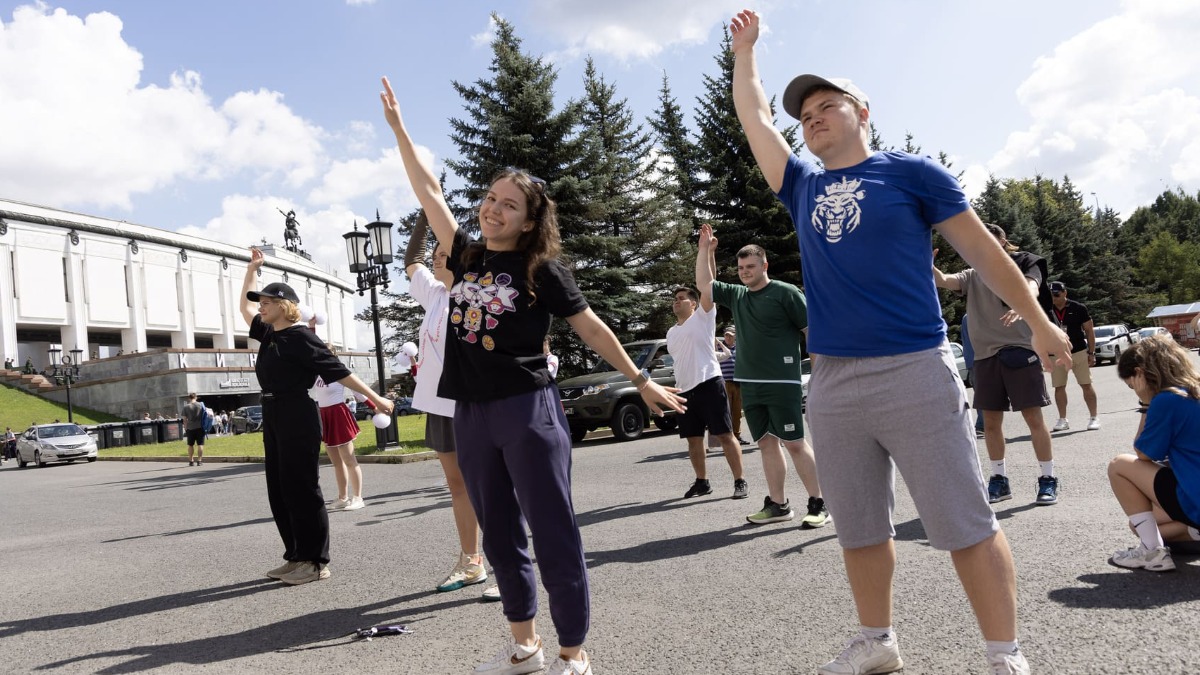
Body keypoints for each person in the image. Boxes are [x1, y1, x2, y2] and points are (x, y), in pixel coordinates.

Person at [728, 10, 1073, 674]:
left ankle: (1005, 655)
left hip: (915, 367)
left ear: (864, 111)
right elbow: (754, 119)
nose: (814, 118)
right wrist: (746, 53)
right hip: (831, 379)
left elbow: (984, 252)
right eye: (806, 115)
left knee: (964, 522)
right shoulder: (802, 186)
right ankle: (876, 640)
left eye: (828, 106)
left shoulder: (911, 174)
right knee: (859, 527)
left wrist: (1036, 317)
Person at [382, 75, 685, 675]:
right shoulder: (465, 255)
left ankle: (574, 650)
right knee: (498, 534)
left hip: (528, 410)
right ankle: (525, 644)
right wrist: (399, 129)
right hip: (469, 412)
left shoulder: (541, 269)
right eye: (491, 197)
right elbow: (428, 190)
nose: (493, 208)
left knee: (552, 531)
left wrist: (641, 379)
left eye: (508, 204)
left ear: (527, 220)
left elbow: (592, 328)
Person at [239, 249, 394, 586]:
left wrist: (375, 397)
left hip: (297, 412)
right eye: (261, 302)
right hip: (273, 412)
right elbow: (244, 308)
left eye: (266, 301)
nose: (261, 306)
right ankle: (296, 555)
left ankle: (315, 561)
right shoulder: (270, 334)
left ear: (284, 305)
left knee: (302, 488)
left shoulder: (301, 337)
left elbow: (338, 371)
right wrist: (252, 269)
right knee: (280, 489)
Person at [698, 226, 826, 527]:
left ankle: (819, 503)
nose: (744, 272)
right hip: (750, 384)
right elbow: (705, 285)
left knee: (794, 443)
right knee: (767, 444)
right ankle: (779, 505)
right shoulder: (738, 295)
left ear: (764, 266)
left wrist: (819, 376)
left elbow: (812, 333)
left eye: (750, 267)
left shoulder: (785, 293)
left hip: (782, 382)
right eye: (741, 268)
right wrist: (704, 250)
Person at [404, 211, 498, 600]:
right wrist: (426, 218)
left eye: (446, 252)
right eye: (436, 254)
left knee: (492, 487)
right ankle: (472, 561)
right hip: (439, 405)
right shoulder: (434, 294)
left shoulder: (475, 294)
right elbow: (412, 260)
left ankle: (510, 567)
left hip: (474, 403)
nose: (438, 257)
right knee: (458, 485)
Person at [935, 225, 1060, 507]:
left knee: (1034, 420)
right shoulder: (972, 275)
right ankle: (999, 480)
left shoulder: (1024, 261)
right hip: (985, 357)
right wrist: (926, 264)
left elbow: (1031, 283)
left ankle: (1048, 478)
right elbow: (943, 280)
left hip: (1019, 352)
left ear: (1004, 241)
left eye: (993, 240)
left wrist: (1022, 301)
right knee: (990, 424)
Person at [1108, 335, 1200, 571]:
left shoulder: (1166, 400)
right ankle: (1190, 533)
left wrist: (1146, 404)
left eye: (1132, 385)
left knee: (1119, 465)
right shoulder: (1194, 388)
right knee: (1139, 524)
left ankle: (1152, 553)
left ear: (1140, 374)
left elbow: (1143, 454)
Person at [667, 284, 748, 500]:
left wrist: (707, 251)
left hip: (709, 383)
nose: (676, 300)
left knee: (725, 434)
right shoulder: (671, 332)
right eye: (675, 298)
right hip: (683, 391)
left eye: (682, 298)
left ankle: (740, 480)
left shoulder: (703, 318)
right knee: (693, 439)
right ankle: (702, 482)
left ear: (693, 303)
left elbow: (707, 287)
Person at [312, 368, 368, 512]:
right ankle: (343, 498)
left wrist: (375, 406)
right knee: (336, 462)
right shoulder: (317, 373)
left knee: (349, 460)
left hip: (338, 415)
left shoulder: (339, 373)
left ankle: (358, 497)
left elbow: (358, 392)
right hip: (324, 416)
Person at [1048, 281, 1100, 431]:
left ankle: (1094, 417)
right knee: (1059, 387)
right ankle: (1063, 419)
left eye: (1056, 294)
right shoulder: (1046, 309)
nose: (1054, 298)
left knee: (1086, 384)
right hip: (1056, 353)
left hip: (1078, 351)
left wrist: (1091, 352)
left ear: (1065, 293)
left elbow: (1089, 331)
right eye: (1051, 295)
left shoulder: (1078, 308)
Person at [718, 327, 749, 444]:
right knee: (726, 411)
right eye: (726, 335)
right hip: (724, 383)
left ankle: (737, 436)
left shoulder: (740, 349)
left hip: (738, 383)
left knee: (737, 412)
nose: (728, 337)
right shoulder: (719, 349)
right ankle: (727, 437)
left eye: (730, 335)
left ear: (735, 336)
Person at [961, 314, 986, 438]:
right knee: (985, 396)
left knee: (981, 395)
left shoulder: (967, 317)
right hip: (981, 359)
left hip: (974, 361)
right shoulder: (973, 317)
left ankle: (982, 425)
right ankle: (982, 425)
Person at [181, 394, 206, 467]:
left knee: (190, 445)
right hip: (200, 427)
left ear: (189, 398)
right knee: (200, 444)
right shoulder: (201, 405)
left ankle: (191, 460)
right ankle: (199, 460)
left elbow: (184, 419)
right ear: (196, 397)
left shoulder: (186, 407)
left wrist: (185, 428)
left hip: (190, 428)